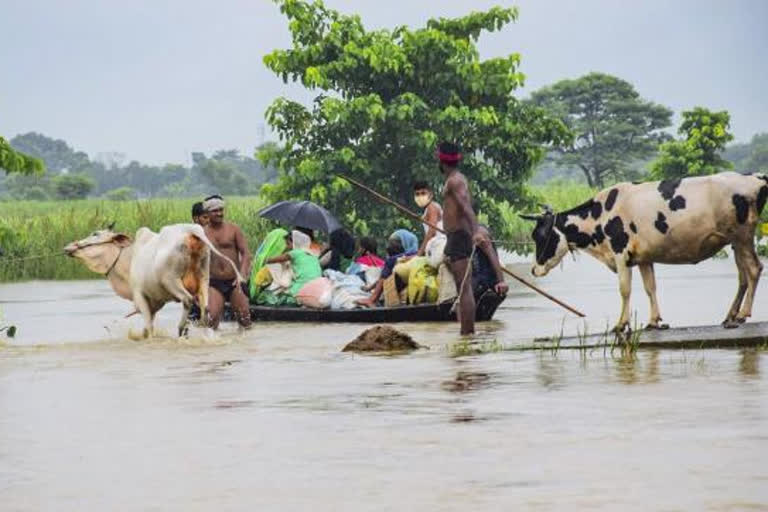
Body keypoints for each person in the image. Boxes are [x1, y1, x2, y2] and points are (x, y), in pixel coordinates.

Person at [438, 142, 508, 335]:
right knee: (461, 287)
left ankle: (468, 334)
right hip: (454, 237)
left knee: (464, 288)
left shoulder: (455, 181)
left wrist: (476, 230)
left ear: (441, 159)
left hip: (460, 237)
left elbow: (466, 207)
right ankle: (464, 331)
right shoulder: (453, 179)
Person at [202, 195, 252, 329]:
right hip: (214, 283)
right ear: (207, 213)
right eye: (215, 211)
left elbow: (246, 253)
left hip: (234, 281)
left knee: (245, 317)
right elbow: (194, 262)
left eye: (221, 210)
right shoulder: (201, 233)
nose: (219, 213)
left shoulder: (233, 229)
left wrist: (242, 275)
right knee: (211, 319)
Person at [356, 229, 418, 307]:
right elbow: (383, 278)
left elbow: (383, 277)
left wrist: (371, 294)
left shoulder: (393, 260)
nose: (391, 246)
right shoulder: (417, 254)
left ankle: (372, 300)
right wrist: (370, 288)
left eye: (396, 242)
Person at [266, 230, 322, 298]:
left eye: (288, 244)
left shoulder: (295, 253)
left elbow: (275, 260)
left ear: (294, 242)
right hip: (318, 284)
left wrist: (265, 260)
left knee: (279, 291)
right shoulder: (311, 253)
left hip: (302, 285)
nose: (287, 246)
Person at [413, 181, 443, 256]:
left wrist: (419, 254)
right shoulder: (429, 208)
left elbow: (431, 232)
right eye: (417, 194)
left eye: (423, 193)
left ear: (430, 195)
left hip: (439, 247)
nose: (420, 196)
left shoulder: (431, 207)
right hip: (434, 247)